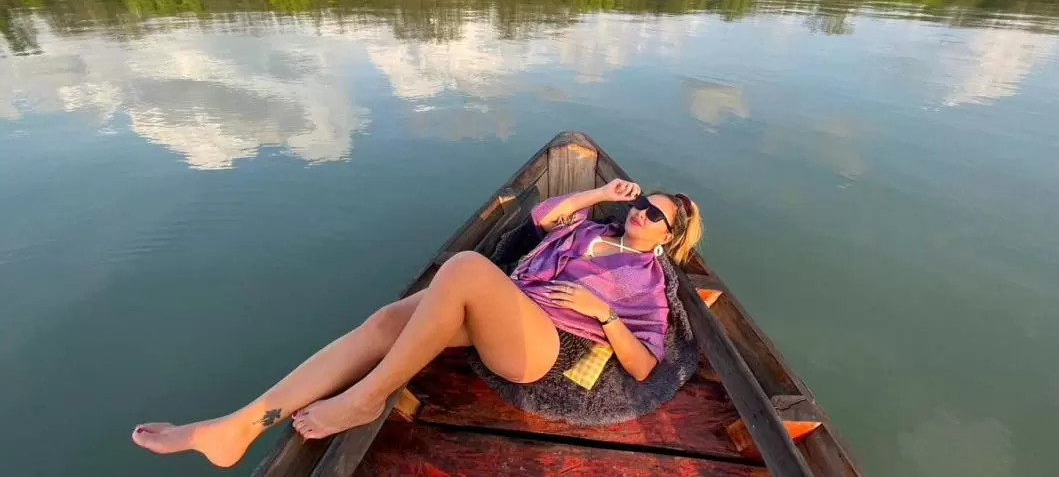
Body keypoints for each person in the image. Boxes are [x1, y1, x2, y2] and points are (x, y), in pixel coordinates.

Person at [131, 178, 703, 468]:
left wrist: (603, 313)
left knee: (464, 266)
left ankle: (367, 397)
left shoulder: (647, 283)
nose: (640, 212)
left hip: (543, 346)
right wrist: (599, 192)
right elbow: (539, 218)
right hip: (511, 311)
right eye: (640, 202)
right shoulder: (592, 230)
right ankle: (238, 427)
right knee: (384, 323)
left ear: (667, 236)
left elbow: (645, 362)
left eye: (655, 215)